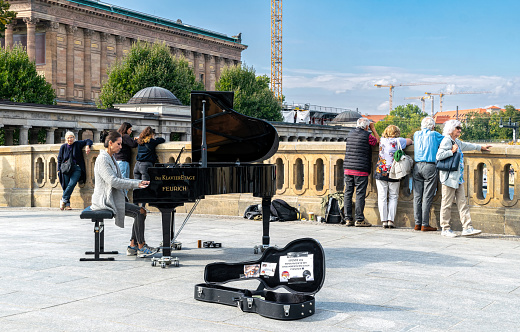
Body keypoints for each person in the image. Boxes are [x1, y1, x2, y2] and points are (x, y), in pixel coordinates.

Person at [91, 130, 154, 256]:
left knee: (141, 212)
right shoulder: (103, 159)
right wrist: (136, 184)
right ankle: (140, 247)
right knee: (140, 212)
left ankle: (133, 246)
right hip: (105, 201)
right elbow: (113, 181)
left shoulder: (110, 158)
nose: (121, 146)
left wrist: (139, 182)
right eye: (118, 144)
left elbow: (121, 178)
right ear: (110, 143)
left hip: (113, 198)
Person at [436, 120, 491, 237]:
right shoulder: (446, 140)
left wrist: (480, 147)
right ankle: (445, 228)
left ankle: (467, 227)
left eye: (460, 128)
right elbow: (439, 156)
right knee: (446, 204)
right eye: (457, 128)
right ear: (451, 129)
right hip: (448, 178)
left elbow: (467, 145)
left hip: (458, 178)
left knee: (462, 203)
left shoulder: (456, 141)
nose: (460, 130)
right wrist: (451, 151)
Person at [343, 117, 380, 227]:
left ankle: (348, 219)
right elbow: (377, 141)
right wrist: (373, 129)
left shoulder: (350, 134)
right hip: (361, 170)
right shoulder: (367, 136)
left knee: (348, 194)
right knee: (360, 194)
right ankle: (359, 219)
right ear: (367, 126)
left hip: (348, 168)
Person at [375, 125, 413, 228]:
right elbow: (409, 141)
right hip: (394, 171)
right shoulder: (398, 141)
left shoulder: (382, 141)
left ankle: (383, 220)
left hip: (381, 170)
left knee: (382, 196)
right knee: (393, 196)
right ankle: (390, 220)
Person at [412, 117, 444, 232]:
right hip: (430, 166)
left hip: (417, 166)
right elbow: (447, 142)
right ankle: (425, 224)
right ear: (433, 126)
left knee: (417, 196)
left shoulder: (416, 134)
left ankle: (417, 223)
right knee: (427, 196)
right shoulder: (434, 134)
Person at [57, 131, 92, 210]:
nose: (70, 139)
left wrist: (87, 146)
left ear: (74, 138)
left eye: (71, 137)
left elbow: (88, 140)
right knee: (66, 186)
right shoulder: (63, 147)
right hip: (66, 168)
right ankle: (67, 204)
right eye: (68, 138)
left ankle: (63, 199)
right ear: (66, 139)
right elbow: (59, 158)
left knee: (72, 184)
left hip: (77, 168)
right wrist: (58, 170)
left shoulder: (77, 144)